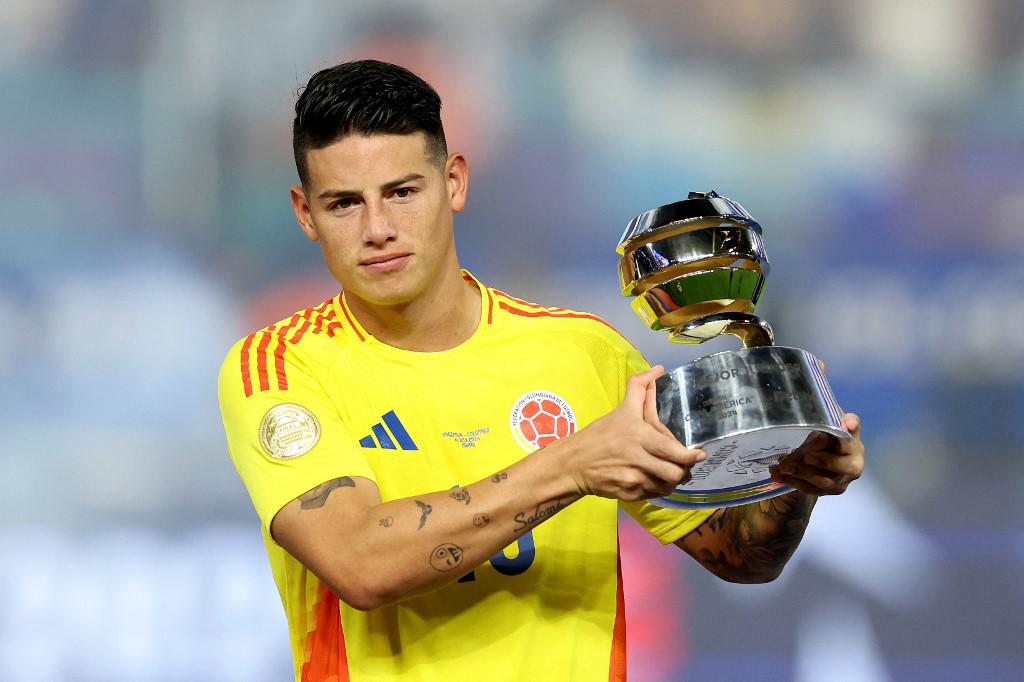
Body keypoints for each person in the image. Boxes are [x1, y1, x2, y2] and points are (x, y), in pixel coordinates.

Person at [217, 59, 865, 682]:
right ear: (305, 214)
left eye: (402, 192)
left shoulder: (582, 353)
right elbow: (359, 563)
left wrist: (795, 475)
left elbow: (741, 556)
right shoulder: (280, 367)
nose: (378, 228)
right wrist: (572, 464)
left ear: (454, 182)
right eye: (344, 204)